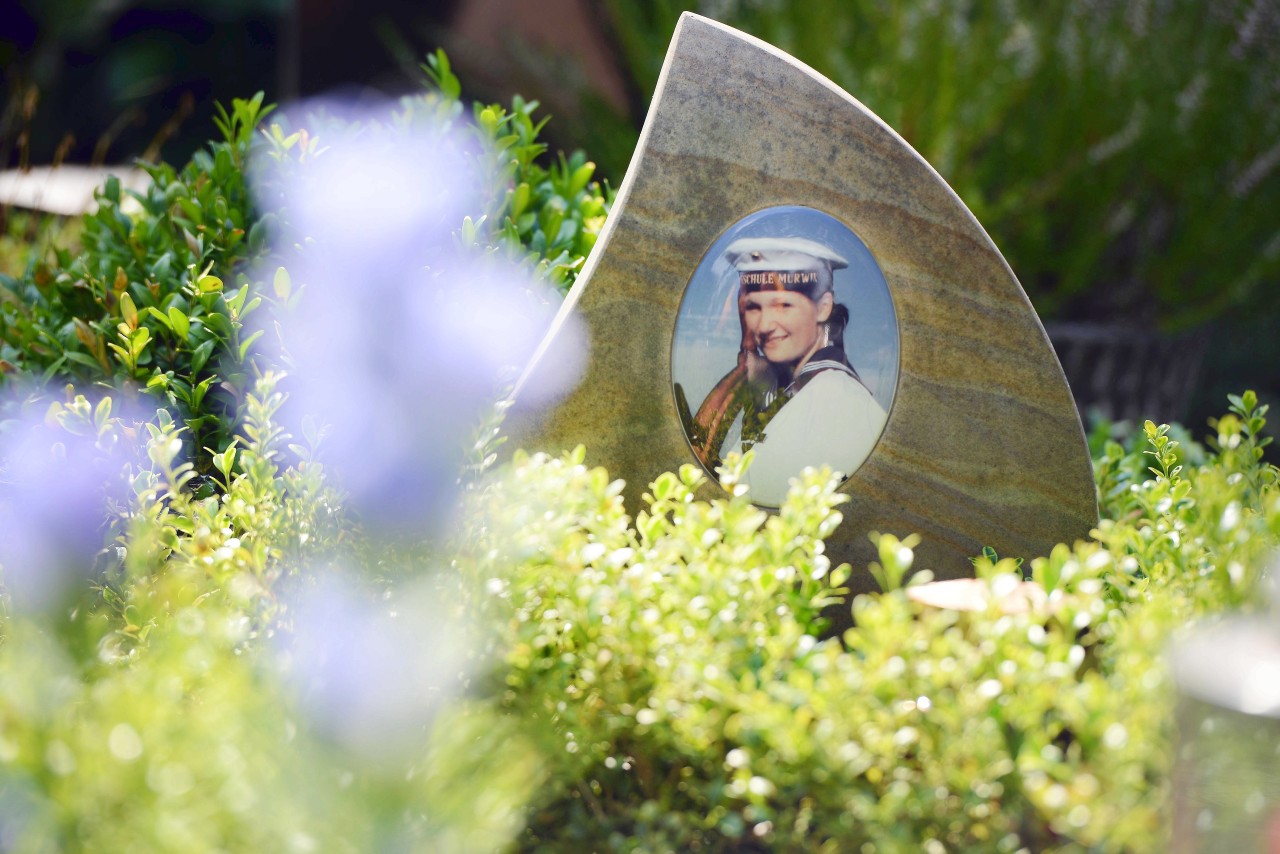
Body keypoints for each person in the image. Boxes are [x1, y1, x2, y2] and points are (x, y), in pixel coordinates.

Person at [685, 236, 887, 505]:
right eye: (754, 308)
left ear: (823, 307)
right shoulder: (801, 390)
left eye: (784, 306)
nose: (765, 324)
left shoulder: (835, 399)